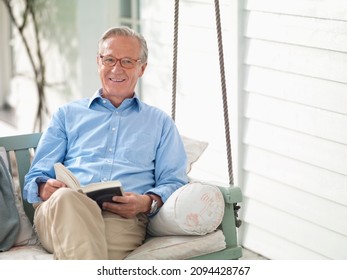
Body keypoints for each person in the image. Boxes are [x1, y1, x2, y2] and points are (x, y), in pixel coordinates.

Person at [23, 26, 188, 260]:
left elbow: (174, 181)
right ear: (98, 61)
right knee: (66, 198)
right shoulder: (67, 115)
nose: (116, 69)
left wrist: (145, 202)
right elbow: (35, 176)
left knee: (86, 251)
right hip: (60, 211)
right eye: (109, 59)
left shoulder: (160, 123)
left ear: (142, 68)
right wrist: (43, 186)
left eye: (127, 61)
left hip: (121, 220)